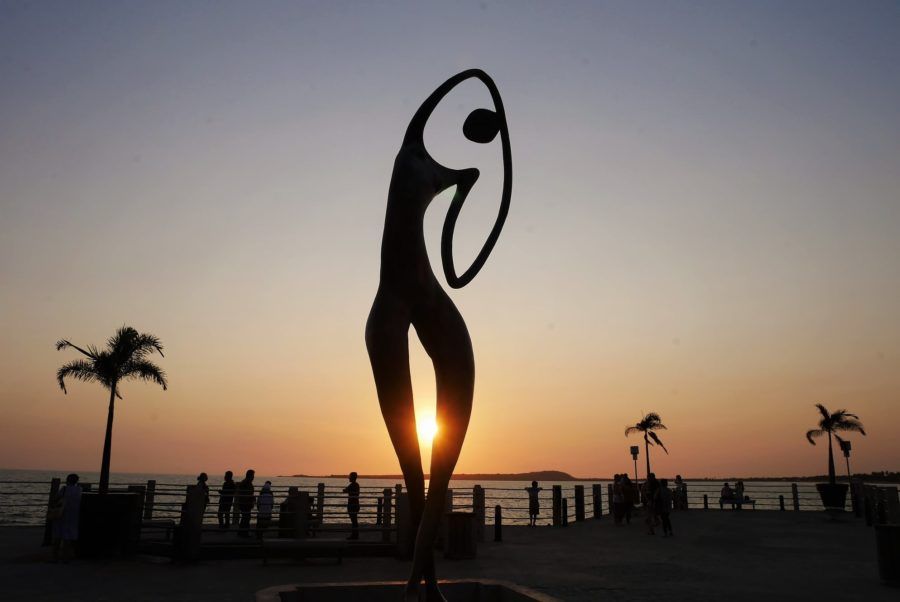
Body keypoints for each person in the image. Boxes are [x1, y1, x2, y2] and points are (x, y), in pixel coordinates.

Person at [50, 473, 82, 563]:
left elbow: (56, 499)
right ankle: (66, 557)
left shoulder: (64, 489)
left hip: (62, 514)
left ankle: (55, 557)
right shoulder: (79, 490)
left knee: (58, 536)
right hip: (74, 515)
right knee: (68, 537)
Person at [236, 469, 255, 537]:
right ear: (250, 476)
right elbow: (246, 494)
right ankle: (244, 533)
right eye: (253, 475)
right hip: (245, 504)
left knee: (245, 518)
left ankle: (242, 532)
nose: (253, 477)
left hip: (245, 503)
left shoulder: (245, 482)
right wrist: (251, 498)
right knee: (246, 518)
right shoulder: (246, 483)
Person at [343, 472, 361, 539]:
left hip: (352, 505)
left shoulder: (352, 485)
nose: (348, 477)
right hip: (356, 504)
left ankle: (354, 535)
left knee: (354, 521)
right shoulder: (356, 485)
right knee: (354, 520)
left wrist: (346, 490)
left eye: (349, 476)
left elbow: (344, 490)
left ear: (352, 477)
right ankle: (355, 535)